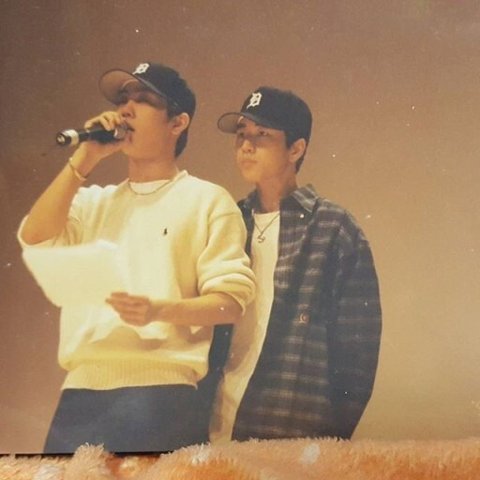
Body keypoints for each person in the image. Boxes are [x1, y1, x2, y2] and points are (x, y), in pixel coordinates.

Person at [18, 62, 254, 454]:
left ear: (177, 122)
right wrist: (86, 157)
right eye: (122, 99)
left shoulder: (207, 200)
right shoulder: (94, 201)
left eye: (143, 100)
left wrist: (158, 310)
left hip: (161, 392)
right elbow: (34, 236)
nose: (125, 109)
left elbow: (229, 303)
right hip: (80, 392)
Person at [210, 86, 382, 442]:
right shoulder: (230, 219)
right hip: (215, 423)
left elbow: (358, 353)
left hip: (290, 431)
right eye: (241, 134)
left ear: (296, 149)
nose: (246, 145)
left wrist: (326, 441)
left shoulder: (333, 227)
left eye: (262, 135)